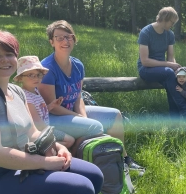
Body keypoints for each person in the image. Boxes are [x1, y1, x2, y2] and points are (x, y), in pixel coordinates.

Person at [0, 31, 103, 194]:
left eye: (10, 54)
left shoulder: (17, 91)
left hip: (22, 164)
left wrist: (58, 147)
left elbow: (33, 132)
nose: (5, 60)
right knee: (82, 187)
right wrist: (43, 162)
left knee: (95, 175)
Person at [38, 20, 143, 170]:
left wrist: (83, 117)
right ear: (51, 42)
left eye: (69, 37)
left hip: (71, 112)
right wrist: (81, 119)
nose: (65, 41)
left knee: (115, 116)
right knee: (94, 127)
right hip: (52, 117)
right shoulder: (47, 68)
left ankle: (123, 160)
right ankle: (79, 164)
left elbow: (78, 97)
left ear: (74, 39)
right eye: (59, 38)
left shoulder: (78, 65)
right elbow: (52, 108)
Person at [137, 6, 186, 118]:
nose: (173, 25)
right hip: (146, 70)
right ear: (165, 19)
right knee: (168, 73)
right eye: (172, 22)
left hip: (164, 70)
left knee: (174, 79)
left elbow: (171, 58)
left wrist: (176, 69)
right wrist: (168, 65)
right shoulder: (146, 32)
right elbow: (145, 61)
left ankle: (174, 121)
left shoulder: (169, 34)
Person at [14, 55, 75, 148]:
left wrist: (51, 106)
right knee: (70, 140)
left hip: (45, 127)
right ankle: (41, 149)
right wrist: (51, 132)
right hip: (40, 131)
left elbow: (40, 111)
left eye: (39, 75)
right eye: (31, 75)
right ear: (20, 78)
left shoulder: (35, 91)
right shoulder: (27, 98)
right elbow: (37, 123)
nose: (36, 78)